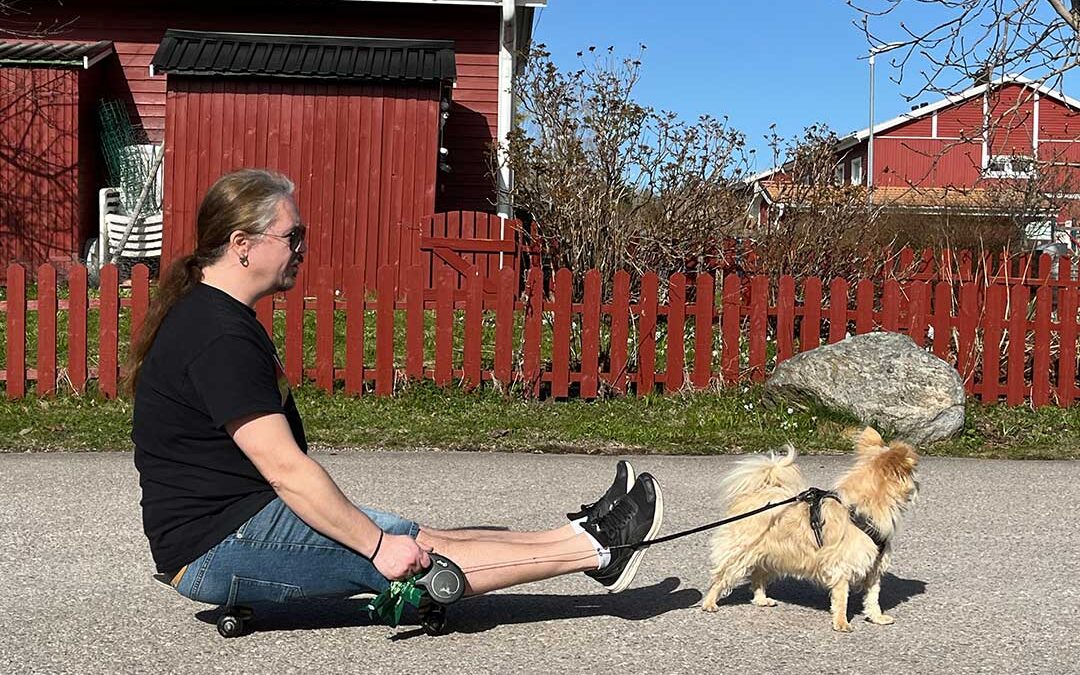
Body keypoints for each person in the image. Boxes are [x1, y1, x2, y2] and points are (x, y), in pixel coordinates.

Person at [127, 168, 664, 615]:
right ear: (242, 245)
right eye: (293, 236)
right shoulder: (217, 334)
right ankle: (596, 550)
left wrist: (384, 536)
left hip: (233, 522)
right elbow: (286, 469)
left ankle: (580, 537)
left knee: (415, 533)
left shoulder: (215, 315)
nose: (302, 248)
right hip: (217, 547)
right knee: (418, 556)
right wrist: (377, 548)